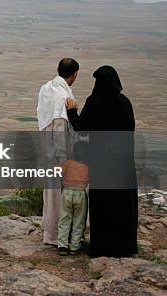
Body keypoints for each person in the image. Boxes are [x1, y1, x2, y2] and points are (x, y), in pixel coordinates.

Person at [65, 65, 138, 258]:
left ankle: (103, 246)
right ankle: (125, 246)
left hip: (102, 163)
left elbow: (82, 129)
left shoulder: (94, 102)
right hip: (123, 163)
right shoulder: (125, 103)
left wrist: (72, 111)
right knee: (122, 204)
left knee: (104, 205)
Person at [36, 58, 79, 246]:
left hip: (46, 146)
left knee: (50, 193)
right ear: (74, 74)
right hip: (58, 152)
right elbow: (59, 127)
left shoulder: (46, 88)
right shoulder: (63, 97)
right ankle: (57, 236)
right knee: (59, 196)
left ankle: (49, 232)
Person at [57, 141, 89, 256]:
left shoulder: (68, 163)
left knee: (64, 219)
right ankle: (74, 247)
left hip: (67, 192)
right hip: (81, 194)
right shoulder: (87, 167)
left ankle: (62, 246)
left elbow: (57, 172)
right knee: (78, 222)